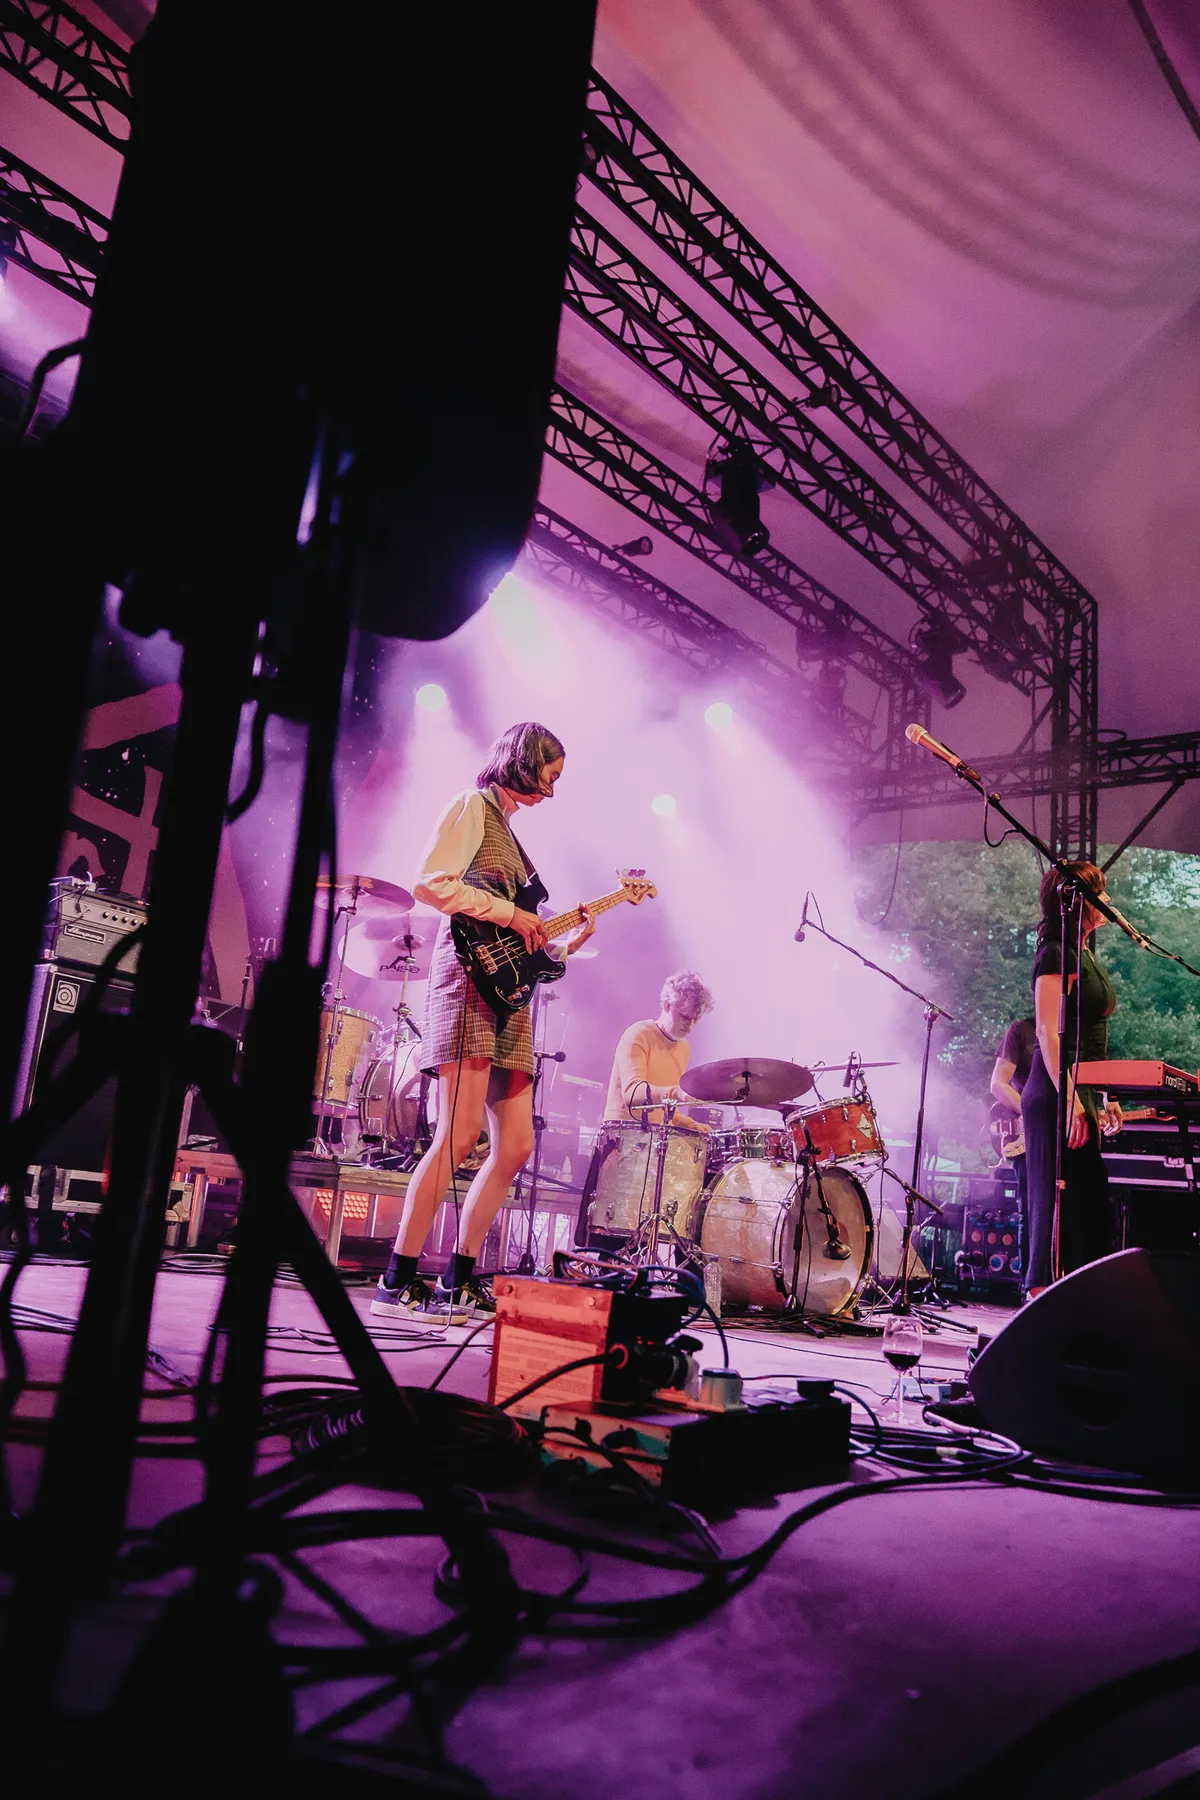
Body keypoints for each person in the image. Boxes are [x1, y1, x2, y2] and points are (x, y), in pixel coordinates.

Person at [371, 722, 594, 1320]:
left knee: (515, 1145)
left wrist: (563, 945)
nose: (551, 790)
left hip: (506, 996)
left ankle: (459, 1277)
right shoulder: (471, 806)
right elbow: (429, 883)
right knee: (459, 1135)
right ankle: (396, 1280)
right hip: (466, 984)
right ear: (523, 761)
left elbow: (517, 942)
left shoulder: (512, 835)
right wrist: (507, 912)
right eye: (548, 775)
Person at [1020, 862, 1122, 1300]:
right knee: (1054, 1199)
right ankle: (1041, 1297)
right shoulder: (1056, 953)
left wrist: (1106, 1094)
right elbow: (1048, 1031)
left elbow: (1092, 1039)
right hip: (1055, 1091)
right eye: (1101, 893)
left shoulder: (1085, 954)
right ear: (1079, 902)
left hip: (1082, 1088)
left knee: (1087, 1195)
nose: (1109, 901)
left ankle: (1078, 1300)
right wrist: (1071, 1100)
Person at [603, 970, 715, 1132]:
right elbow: (633, 1094)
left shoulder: (683, 1048)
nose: (690, 1026)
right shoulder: (638, 1034)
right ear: (667, 1005)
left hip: (656, 1137)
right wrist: (677, 1092)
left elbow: (666, 1109)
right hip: (623, 1135)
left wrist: (693, 1126)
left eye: (695, 1020)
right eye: (684, 1016)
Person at [989, 1015, 1036, 1274]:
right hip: (1026, 1135)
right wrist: (1032, 1114)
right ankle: (1030, 1284)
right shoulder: (1022, 1031)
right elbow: (997, 1084)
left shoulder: (1079, 1037)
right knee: (1030, 1209)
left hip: (1063, 1139)